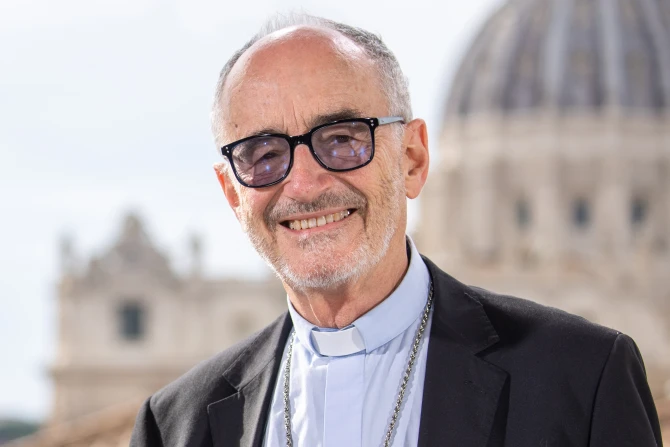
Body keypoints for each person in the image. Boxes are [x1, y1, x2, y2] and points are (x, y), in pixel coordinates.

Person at [130, 14, 663, 447]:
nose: (306, 183)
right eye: (263, 154)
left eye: (342, 139)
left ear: (412, 158)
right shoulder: (177, 424)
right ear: (232, 194)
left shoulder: (584, 377)